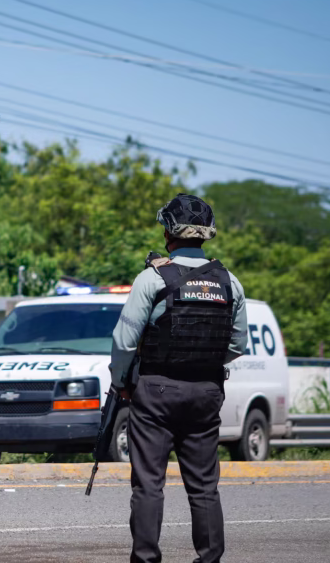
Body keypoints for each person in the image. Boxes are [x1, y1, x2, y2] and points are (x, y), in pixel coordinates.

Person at [109, 193, 249, 563]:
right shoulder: (230, 282)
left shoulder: (152, 278)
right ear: (205, 234)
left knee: (149, 485)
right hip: (206, 392)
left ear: (170, 231)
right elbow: (237, 344)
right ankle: (209, 558)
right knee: (204, 487)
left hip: (156, 389)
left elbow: (124, 341)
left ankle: (146, 559)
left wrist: (121, 381)